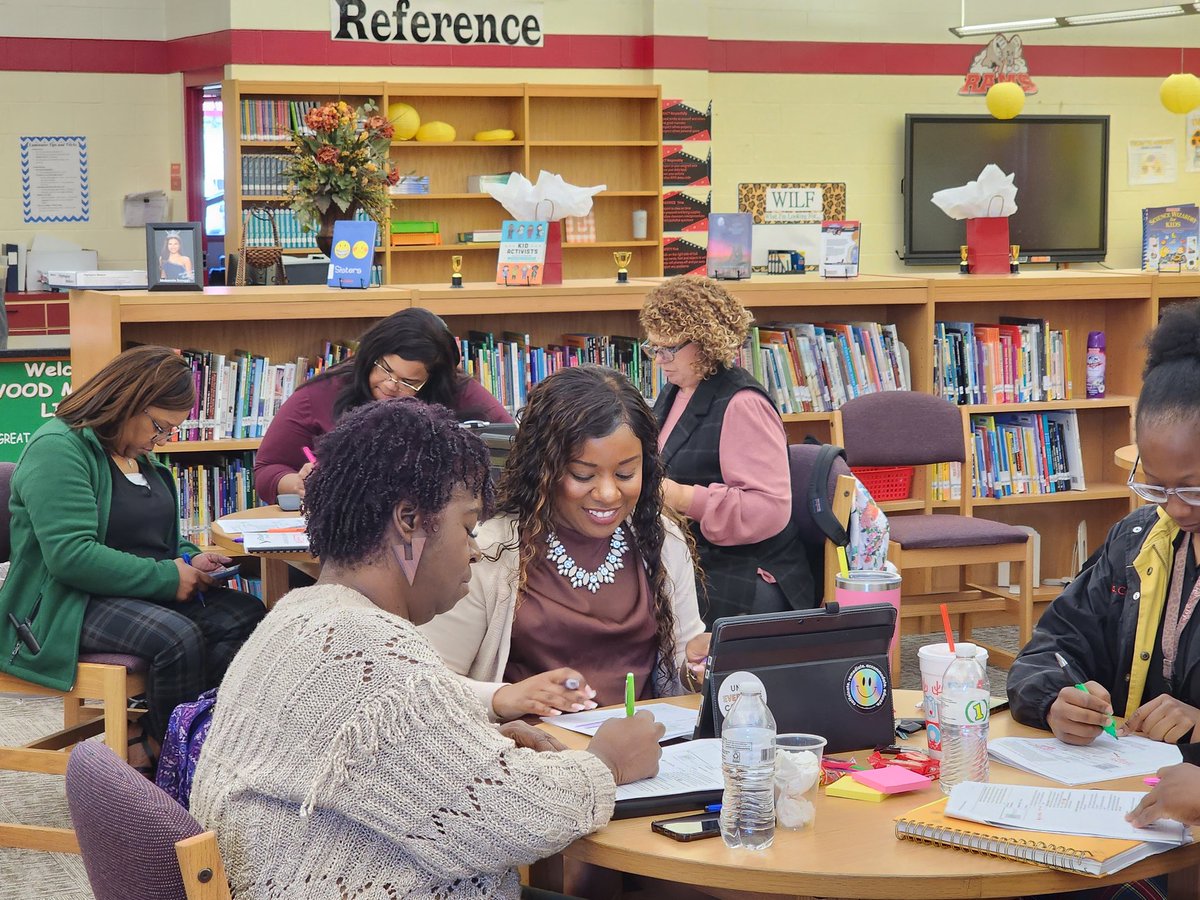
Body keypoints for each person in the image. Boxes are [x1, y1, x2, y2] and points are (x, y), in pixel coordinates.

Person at [191, 398, 665, 899]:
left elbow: (395, 767)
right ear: (410, 522)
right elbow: (509, 822)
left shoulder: (300, 615)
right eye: (467, 527)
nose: (476, 549)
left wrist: (477, 744)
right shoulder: (372, 654)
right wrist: (609, 763)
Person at [0, 345, 264, 773]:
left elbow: (161, 539)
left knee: (249, 617)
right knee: (175, 638)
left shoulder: (138, 455)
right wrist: (166, 577)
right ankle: (165, 758)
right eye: (160, 427)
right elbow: (71, 557)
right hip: (64, 602)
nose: (162, 441)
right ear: (129, 402)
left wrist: (191, 560)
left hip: (132, 588)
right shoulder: (58, 449)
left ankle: (193, 736)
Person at [420, 365, 707, 721]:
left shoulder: (661, 540)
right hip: (534, 762)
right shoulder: (489, 550)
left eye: (625, 474)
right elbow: (427, 686)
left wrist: (695, 670)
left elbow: (682, 666)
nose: (607, 493)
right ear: (545, 469)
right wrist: (504, 698)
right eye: (583, 475)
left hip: (647, 755)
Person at [1009, 300, 1200, 747]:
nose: (1174, 508)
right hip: (1128, 793)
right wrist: (1057, 698)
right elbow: (1051, 649)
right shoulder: (1137, 542)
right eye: (1155, 486)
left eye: (1193, 490)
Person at [639, 275, 813, 626]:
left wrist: (681, 497)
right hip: (702, 556)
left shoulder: (743, 403)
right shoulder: (677, 390)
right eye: (653, 347)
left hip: (748, 572)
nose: (659, 359)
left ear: (704, 342)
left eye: (669, 348)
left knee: (644, 603)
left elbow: (770, 509)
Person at [253, 307, 511, 504]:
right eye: (384, 369)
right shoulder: (324, 392)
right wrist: (297, 482)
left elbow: (512, 447)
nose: (390, 386)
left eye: (409, 381)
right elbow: (266, 470)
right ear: (370, 355)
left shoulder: (458, 391)